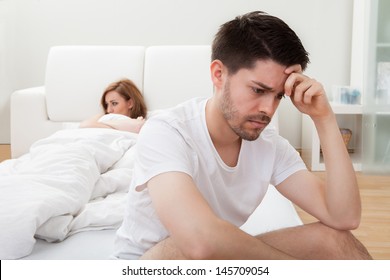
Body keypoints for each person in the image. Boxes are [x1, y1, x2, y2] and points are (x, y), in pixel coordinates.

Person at [113, 11, 372, 259]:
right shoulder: (166, 131)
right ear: (218, 74)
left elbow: (344, 217)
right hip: (152, 264)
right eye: (258, 90)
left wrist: (323, 117)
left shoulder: (270, 146)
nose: (268, 110)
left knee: (336, 242)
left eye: (279, 95)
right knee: (188, 245)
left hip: (215, 259)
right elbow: (198, 241)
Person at [79, 78, 147, 133]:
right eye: (107, 104)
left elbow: (138, 126)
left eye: (114, 103)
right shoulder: (103, 117)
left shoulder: (143, 122)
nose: (109, 110)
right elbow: (84, 125)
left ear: (130, 103)